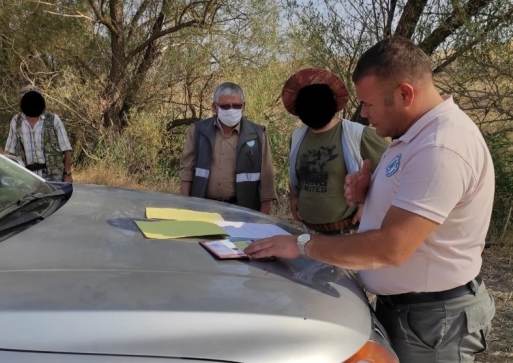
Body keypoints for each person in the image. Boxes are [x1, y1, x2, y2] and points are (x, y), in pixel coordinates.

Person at [245, 36, 496, 362]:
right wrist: (371, 191)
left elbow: (390, 247)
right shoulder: (413, 135)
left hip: (433, 321)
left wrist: (302, 246)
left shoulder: (440, 147)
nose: (362, 114)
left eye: (369, 104)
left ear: (405, 94)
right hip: (412, 312)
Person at [282, 68, 388, 235]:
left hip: (347, 233)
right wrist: (294, 197)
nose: (313, 105)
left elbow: (393, 173)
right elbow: (296, 173)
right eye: (307, 102)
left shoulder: (358, 135)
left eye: (318, 101)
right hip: (308, 232)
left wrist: (369, 204)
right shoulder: (297, 137)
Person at [179, 82, 277, 213]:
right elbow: (186, 171)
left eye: (236, 106)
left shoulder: (257, 134)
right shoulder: (199, 131)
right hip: (203, 207)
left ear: (244, 106)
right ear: (215, 107)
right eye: (225, 106)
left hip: (242, 210)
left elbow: (267, 178)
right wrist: (185, 207)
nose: (231, 110)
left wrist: (263, 217)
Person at [4, 85, 73, 182]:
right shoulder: (16, 121)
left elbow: (66, 149)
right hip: (26, 177)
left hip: (52, 177)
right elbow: (10, 152)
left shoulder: (53, 119)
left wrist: (67, 174)